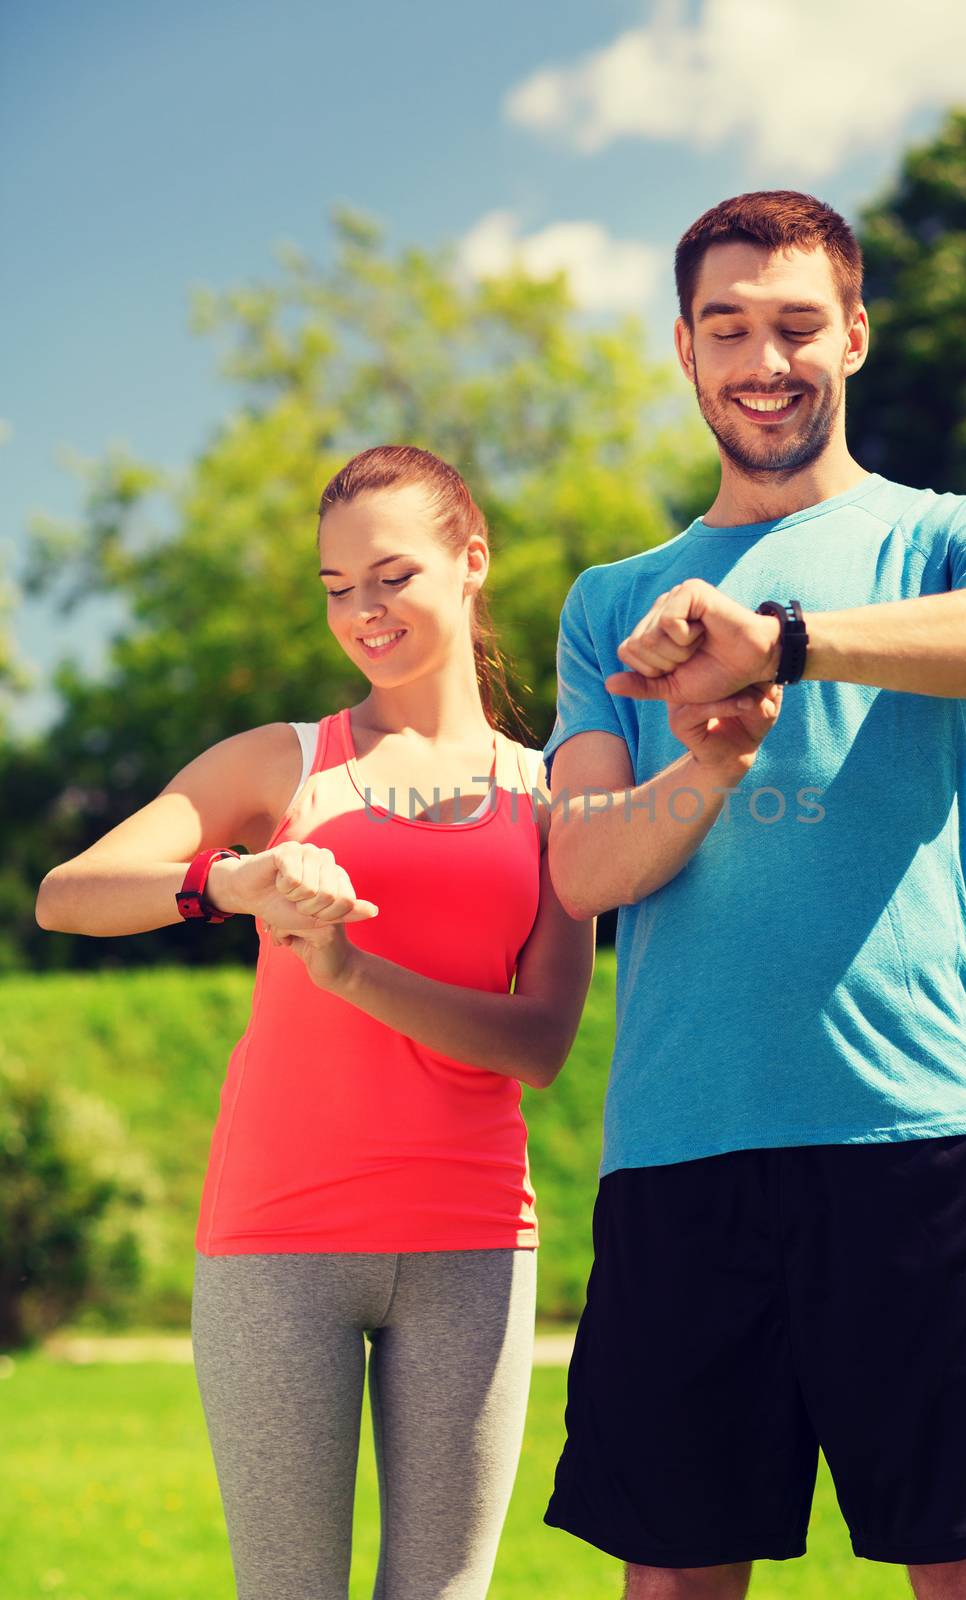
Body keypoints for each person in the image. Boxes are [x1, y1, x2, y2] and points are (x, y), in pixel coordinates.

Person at [539, 192, 966, 1600]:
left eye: (797, 324)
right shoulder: (614, 602)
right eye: (728, 327)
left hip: (908, 1131)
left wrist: (783, 641)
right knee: (672, 1579)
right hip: (679, 1152)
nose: (764, 359)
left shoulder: (950, 534)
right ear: (683, 348)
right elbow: (585, 867)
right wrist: (709, 761)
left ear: (852, 334)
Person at [35, 443, 595, 1600]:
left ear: (471, 560)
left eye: (390, 575)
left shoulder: (547, 795)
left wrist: (346, 969)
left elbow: (539, 1041)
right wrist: (224, 882)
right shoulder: (284, 763)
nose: (363, 611)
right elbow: (69, 894)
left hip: (473, 1241)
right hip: (276, 1245)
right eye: (337, 587)